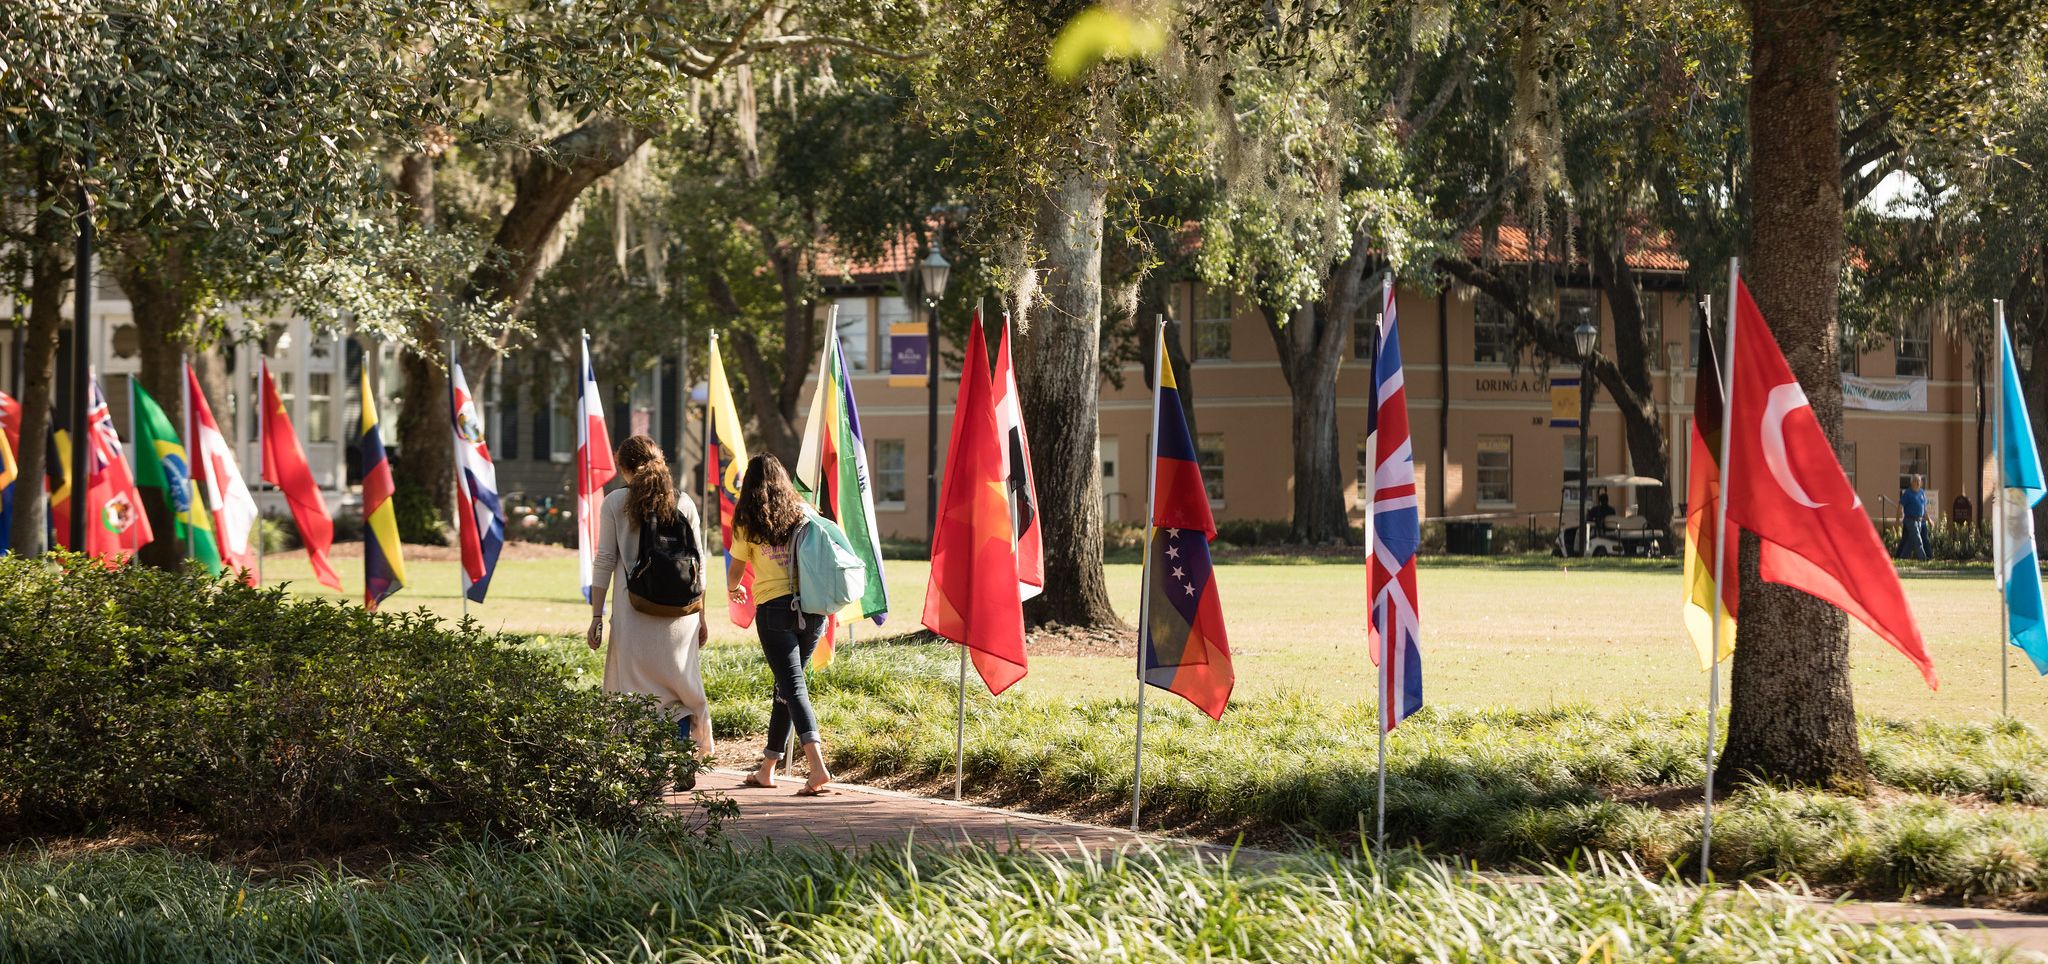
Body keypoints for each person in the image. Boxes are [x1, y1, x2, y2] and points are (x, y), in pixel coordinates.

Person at [587, 435, 714, 762]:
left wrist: (597, 617)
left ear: (624, 468)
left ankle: (654, 762)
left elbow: (604, 561)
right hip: (681, 614)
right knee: (678, 688)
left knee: (639, 691)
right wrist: (701, 617)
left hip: (636, 613)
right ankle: (684, 753)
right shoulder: (684, 502)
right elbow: (699, 563)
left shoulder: (616, 503)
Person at [728, 454, 835, 796]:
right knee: (786, 688)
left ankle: (817, 767)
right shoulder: (804, 512)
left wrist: (735, 588)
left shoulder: (747, 520)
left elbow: (734, 572)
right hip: (814, 610)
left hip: (775, 611)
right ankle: (767, 767)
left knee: (792, 686)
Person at [1898, 474, 1931, 560]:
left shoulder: (1922, 493)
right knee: (1917, 539)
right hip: (1910, 520)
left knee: (1911, 541)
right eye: (1916, 480)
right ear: (1911, 482)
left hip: (1920, 520)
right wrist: (1899, 518)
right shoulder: (1907, 493)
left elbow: (1924, 509)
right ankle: (1923, 559)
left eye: (1919, 481)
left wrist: (1929, 520)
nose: (1918, 482)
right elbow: (1900, 506)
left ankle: (1903, 557)